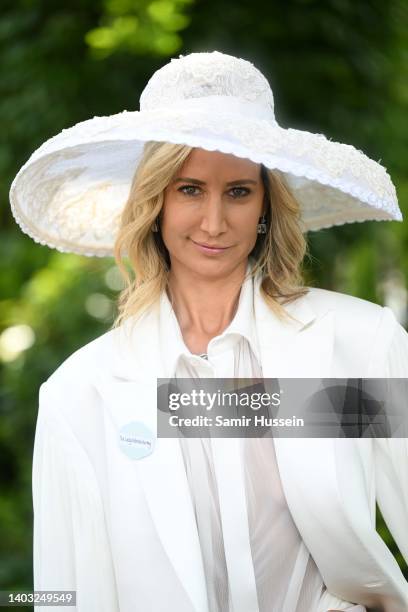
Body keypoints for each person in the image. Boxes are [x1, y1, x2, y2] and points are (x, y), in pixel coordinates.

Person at [9, 51, 408, 612]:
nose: (215, 222)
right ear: (155, 203)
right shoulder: (82, 395)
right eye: (189, 189)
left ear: (267, 204)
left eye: (239, 191)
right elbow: (63, 596)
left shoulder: (356, 345)